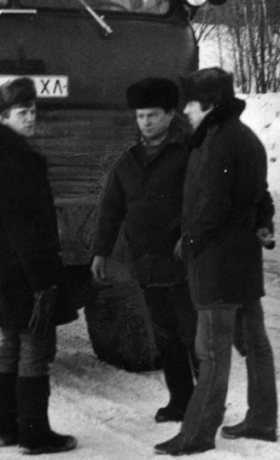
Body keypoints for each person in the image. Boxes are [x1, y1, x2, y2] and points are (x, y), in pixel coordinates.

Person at [154, 68, 279, 456]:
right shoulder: (246, 139)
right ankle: (262, 419)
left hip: (217, 263)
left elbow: (213, 204)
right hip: (243, 261)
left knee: (211, 352)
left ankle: (197, 434)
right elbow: (260, 197)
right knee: (254, 344)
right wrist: (262, 224)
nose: (184, 112)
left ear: (208, 105)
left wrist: (189, 241)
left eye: (189, 104)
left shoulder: (216, 143)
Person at [0, 77, 79, 455]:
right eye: (23, 112)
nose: (31, 117)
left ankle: (3, 429)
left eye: (33, 110)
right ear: (3, 116)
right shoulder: (17, 160)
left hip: (1, 266)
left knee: (11, 342)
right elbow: (22, 227)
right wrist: (42, 283)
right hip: (24, 268)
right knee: (35, 345)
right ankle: (35, 435)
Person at [91, 77, 198, 424]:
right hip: (148, 264)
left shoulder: (188, 154)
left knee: (195, 334)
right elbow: (111, 208)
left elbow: (205, 200)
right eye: (140, 117)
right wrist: (100, 251)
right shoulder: (130, 160)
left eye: (152, 115)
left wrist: (191, 235)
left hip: (183, 262)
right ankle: (180, 401)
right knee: (166, 338)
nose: (146, 123)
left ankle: (208, 402)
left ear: (170, 115)